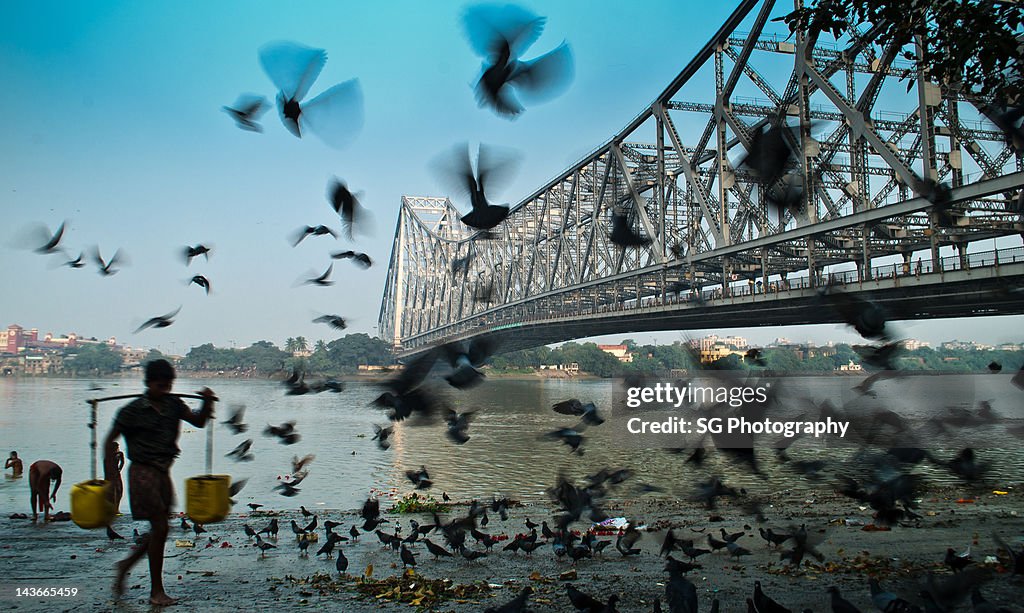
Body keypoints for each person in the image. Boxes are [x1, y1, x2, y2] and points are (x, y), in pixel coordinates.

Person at [104, 359, 216, 607]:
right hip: (142, 473)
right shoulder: (132, 411)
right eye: (160, 385)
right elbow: (108, 442)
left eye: (168, 385)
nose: (164, 389)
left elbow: (198, 421)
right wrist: (110, 478)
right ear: (148, 383)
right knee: (160, 527)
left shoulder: (174, 404)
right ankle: (156, 591)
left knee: (161, 528)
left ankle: (126, 565)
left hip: (163, 472)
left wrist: (207, 403)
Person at [103, 441, 125, 512]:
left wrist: (119, 469)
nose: (118, 449)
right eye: (116, 447)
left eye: (118, 447)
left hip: (117, 474)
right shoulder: (108, 456)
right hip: (110, 476)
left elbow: (122, 462)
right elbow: (106, 468)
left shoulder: (119, 454)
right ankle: (111, 509)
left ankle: (116, 509)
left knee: (119, 491)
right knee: (111, 493)